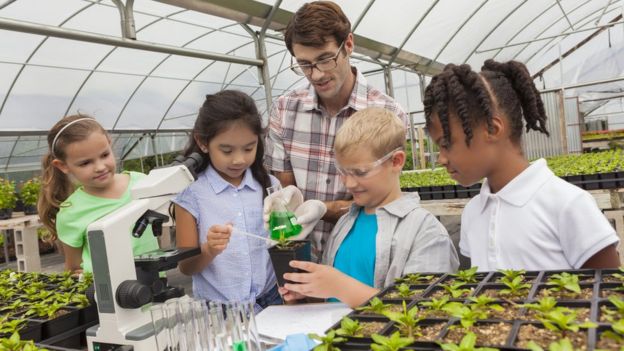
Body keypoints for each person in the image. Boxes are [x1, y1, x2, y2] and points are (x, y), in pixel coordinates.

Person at [424, 59, 620, 271]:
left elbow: (609, 293)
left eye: (446, 144)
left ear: (492, 128)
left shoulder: (568, 205)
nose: (441, 159)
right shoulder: (473, 212)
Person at [264, 1, 408, 258]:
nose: (316, 74)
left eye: (325, 59)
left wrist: (321, 208)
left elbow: (382, 203)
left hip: (362, 258)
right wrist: (288, 202)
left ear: (348, 45)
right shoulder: (285, 111)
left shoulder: (388, 114)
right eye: (305, 64)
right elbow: (286, 193)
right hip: (299, 256)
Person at [278, 108, 459, 308]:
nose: (348, 184)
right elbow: (330, 300)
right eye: (343, 172)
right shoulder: (346, 224)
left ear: (396, 161)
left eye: (360, 172)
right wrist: (305, 292)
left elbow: (425, 311)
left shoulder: (425, 232)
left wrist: (340, 286)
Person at [173, 90, 282, 311]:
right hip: (221, 311)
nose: (239, 159)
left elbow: (282, 242)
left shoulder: (269, 186)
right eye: (226, 150)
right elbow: (186, 267)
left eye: (249, 148)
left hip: (272, 300)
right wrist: (209, 250)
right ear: (203, 143)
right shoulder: (190, 195)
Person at [38, 115, 160, 274]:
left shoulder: (142, 184)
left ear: (110, 144)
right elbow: (74, 268)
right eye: (85, 163)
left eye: (104, 155)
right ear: (63, 166)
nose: (100, 167)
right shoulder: (71, 213)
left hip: (154, 287)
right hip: (106, 296)